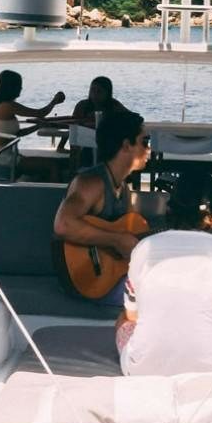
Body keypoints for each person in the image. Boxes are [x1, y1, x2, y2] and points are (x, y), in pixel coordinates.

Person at [117, 171, 212, 375]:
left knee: (123, 320)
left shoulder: (143, 248)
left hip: (141, 369)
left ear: (170, 210)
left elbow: (132, 315)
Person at [52, 108, 150, 304]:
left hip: (110, 278)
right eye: (144, 142)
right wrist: (116, 240)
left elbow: (128, 242)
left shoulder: (123, 188)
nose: (149, 149)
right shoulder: (92, 183)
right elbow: (63, 225)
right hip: (85, 281)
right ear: (126, 145)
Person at [0, 69, 64, 181]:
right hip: (7, 159)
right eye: (19, 85)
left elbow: (17, 134)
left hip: (7, 157)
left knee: (44, 170)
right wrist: (54, 101)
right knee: (53, 166)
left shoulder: (0, 106)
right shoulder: (7, 106)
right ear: (11, 87)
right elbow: (40, 113)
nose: (21, 88)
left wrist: (38, 126)